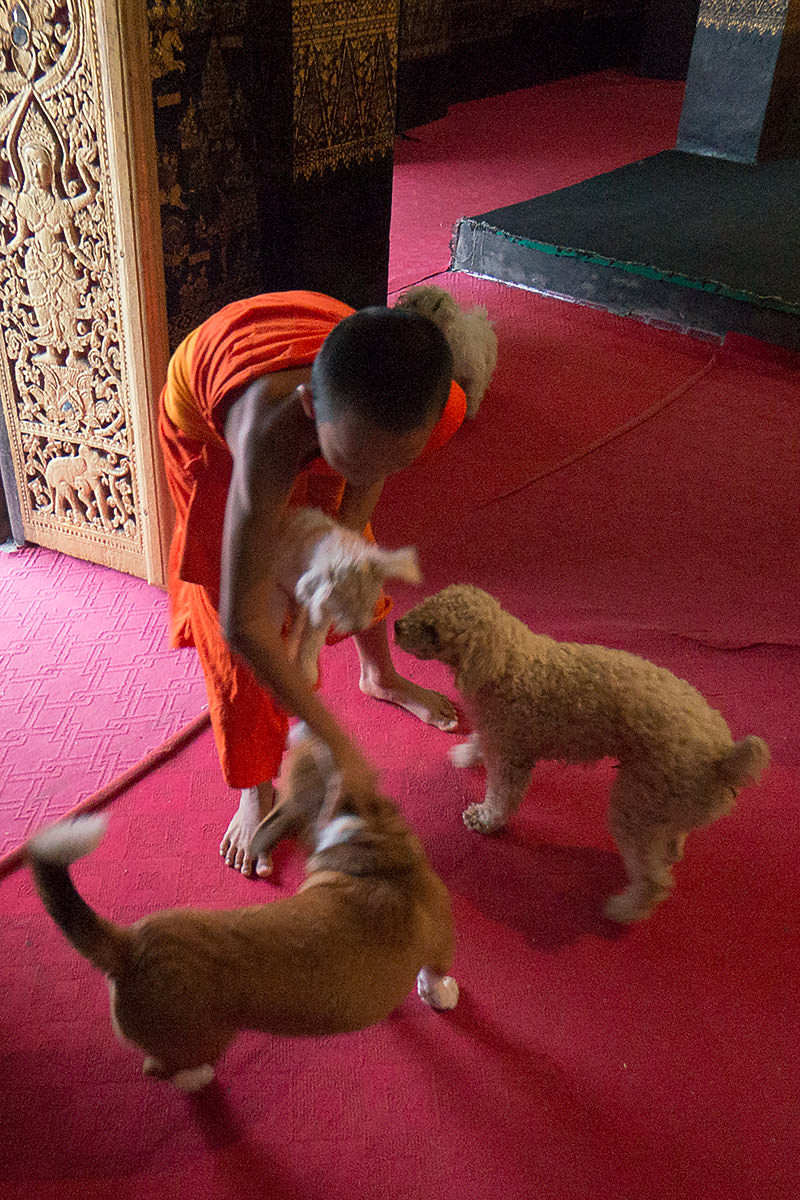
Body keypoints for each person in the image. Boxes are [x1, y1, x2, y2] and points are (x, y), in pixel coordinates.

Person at [158, 290, 467, 877]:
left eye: (391, 463)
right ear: (309, 409)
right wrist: (335, 740)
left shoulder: (400, 404)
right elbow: (242, 621)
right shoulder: (267, 431)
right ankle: (254, 784)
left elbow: (361, 482)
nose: (370, 478)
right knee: (236, 610)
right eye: (353, 462)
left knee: (352, 560)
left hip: (333, 392)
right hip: (210, 424)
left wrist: (336, 561)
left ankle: (380, 675)